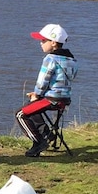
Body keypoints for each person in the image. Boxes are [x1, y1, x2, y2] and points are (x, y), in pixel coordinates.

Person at [15, 24, 78, 157]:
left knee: (20, 114)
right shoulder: (71, 59)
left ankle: (39, 142)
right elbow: (71, 77)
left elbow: (43, 80)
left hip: (52, 99)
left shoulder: (50, 59)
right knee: (30, 106)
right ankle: (47, 134)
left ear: (54, 43)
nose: (40, 43)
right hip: (65, 99)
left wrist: (37, 94)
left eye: (43, 40)